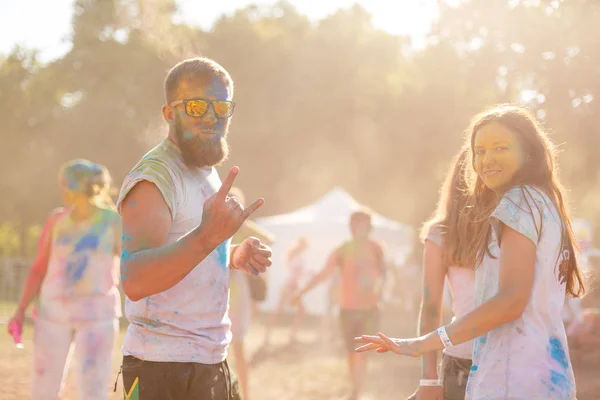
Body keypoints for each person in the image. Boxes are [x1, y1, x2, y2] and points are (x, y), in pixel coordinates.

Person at [356, 104, 585, 400]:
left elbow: (510, 300)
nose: (487, 159)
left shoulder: (518, 202)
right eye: (480, 151)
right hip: (548, 379)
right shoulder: (543, 203)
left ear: (528, 151)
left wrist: (423, 343)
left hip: (512, 383)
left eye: (500, 148)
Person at [117, 57, 272, 400]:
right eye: (197, 105)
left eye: (221, 106)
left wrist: (230, 255)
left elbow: (184, 247)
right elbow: (135, 279)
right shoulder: (154, 178)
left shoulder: (204, 167)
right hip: (160, 366)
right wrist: (207, 238)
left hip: (211, 359)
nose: (211, 117)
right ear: (169, 113)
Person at [8, 159, 121, 400]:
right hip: (54, 315)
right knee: (44, 390)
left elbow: (132, 264)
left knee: (93, 390)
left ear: (79, 185)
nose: (61, 189)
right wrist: (20, 310)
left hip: (97, 316)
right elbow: (39, 268)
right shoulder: (57, 220)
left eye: (65, 184)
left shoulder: (112, 221)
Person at [294, 209, 386, 400]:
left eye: (365, 225)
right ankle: (355, 386)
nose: (361, 229)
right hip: (348, 310)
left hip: (370, 311)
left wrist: (379, 289)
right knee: (351, 352)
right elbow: (323, 273)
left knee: (363, 353)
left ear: (370, 228)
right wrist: (301, 292)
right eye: (357, 225)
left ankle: (357, 391)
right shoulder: (343, 249)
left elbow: (384, 275)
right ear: (351, 228)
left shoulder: (376, 249)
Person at [407, 146, 475, 400]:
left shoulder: (513, 225)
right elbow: (431, 308)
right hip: (462, 362)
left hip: (515, 359)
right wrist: (428, 378)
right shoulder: (441, 234)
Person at [228, 186, 275, 400]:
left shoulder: (245, 227)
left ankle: (245, 396)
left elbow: (271, 241)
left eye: (237, 202)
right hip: (215, 287)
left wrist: (246, 227)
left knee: (238, 347)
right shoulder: (216, 225)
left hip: (236, 290)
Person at [265, 236, 309, 345]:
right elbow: (297, 274)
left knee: (279, 310)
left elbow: (296, 272)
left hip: (288, 286)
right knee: (301, 311)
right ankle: (291, 335)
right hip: (291, 287)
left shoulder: (293, 256)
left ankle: (269, 335)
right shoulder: (298, 258)